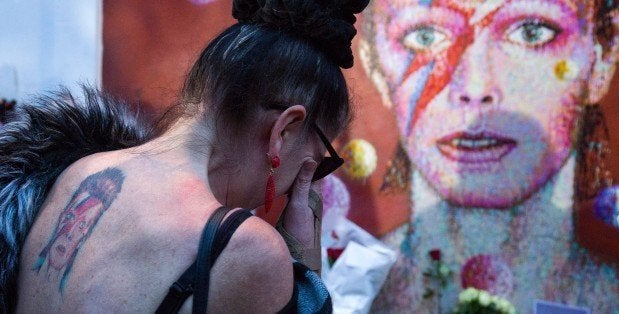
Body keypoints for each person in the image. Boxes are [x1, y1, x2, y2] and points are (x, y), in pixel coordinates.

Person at [0, 0, 369, 312]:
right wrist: (303, 263)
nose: (305, 184)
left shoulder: (74, 174)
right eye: (318, 162)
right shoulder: (246, 249)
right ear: (283, 131)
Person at [359, 0, 619, 312]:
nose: (475, 85)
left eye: (531, 32)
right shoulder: (345, 295)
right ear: (374, 63)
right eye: (426, 36)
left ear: (603, 55)